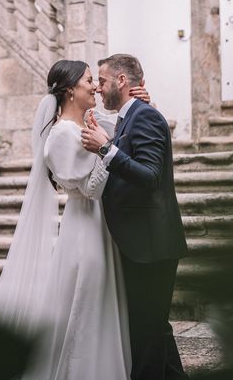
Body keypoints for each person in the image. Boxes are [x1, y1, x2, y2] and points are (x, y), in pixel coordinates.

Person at [0, 59, 150, 380]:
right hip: (85, 228)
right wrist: (107, 150)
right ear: (70, 90)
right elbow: (89, 189)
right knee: (87, 302)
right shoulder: (61, 135)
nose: (95, 87)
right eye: (89, 81)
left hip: (103, 224)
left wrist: (141, 103)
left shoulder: (86, 123)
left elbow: (123, 125)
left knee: (104, 303)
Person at [81, 53, 189, 380]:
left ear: (122, 81)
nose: (98, 89)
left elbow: (150, 176)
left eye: (101, 81)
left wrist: (105, 149)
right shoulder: (129, 117)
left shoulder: (145, 117)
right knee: (152, 325)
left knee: (146, 329)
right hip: (140, 243)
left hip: (150, 244)